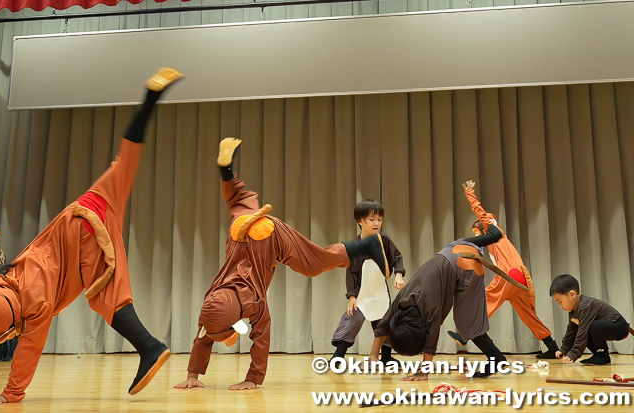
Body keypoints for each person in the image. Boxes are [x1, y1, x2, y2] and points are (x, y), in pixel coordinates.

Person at [0, 67, 183, 404]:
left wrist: (11, 395)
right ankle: (149, 99)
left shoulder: (34, 302)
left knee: (105, 292)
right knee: (125, 160)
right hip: (86, 206)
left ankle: (149, 346)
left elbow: (29, 348)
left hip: (86, 232)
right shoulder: (3, 286)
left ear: (8, 326)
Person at [174, 138, 389, 391]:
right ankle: (225, 169)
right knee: (238, 202)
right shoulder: (211, 304)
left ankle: (365, 245)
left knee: (313, 262)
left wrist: (252, 379)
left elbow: (260, 337)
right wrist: (192, 376)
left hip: (265, 233)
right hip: (239, 230)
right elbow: (207, 335)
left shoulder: (249, 303)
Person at [370, 225, 512, 381]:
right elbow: (384, 323)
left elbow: (431, 339)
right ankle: (493, 235)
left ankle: (496, 358)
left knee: (467, 323)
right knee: (452, 247)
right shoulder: (402, 301)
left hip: (467, 269)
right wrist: (373, 355)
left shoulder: (429, 310)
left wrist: (424, 373)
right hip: (455, 249)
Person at [449, 180, 559, 358]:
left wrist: (470, 194)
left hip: (510, 274)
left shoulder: (495, 231)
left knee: (483, 299)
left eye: (477, 231)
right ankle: (552, 347)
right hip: (521, 277)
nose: (477, 234)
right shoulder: (494, 244)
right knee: (528, 315)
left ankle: (464, 335)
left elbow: (481, 213)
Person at [330, 199, 405, 364]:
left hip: (380, 293)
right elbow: (351, 274)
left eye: (379, 219)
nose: (376, 223)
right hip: (361, 294)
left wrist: (398, 275)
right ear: (360, 221)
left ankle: (386, 357)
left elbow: (397, 258)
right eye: (372, 220)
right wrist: (352, 296)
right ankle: (337, 358)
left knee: (386, 324)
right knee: (351, 322)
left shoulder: (384, 241)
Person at [550, 274, 630, 365]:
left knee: (589, 327)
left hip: (619, 326)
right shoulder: (574, 310)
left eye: (560, 302)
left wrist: (574, 353)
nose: (561, 306)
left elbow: (582, 331)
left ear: (572, 294)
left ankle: (602, 356)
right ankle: (598, 355)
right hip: (606, 327)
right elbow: (571, 330)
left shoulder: (585, 305)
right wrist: (564, 349)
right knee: (583, 328)